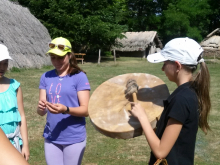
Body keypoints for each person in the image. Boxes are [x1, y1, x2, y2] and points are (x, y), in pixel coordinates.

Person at [131, 37, 211, 165]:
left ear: (177, 66)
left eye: (165, 63)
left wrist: (142, 117)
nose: (162, 68)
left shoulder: (182, 99)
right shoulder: (187, 92)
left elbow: (161, 152)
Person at [37, 37, 90, 165]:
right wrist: (41, 107)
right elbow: (41, 112)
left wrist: (65, 109)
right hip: (51, 135)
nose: (56, 61)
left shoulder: (79, 77)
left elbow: (86, 110)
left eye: (60, 57)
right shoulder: (46, 76)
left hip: (73, 137)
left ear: (69, 55)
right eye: (53, 57)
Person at [0, 44, 30, 161]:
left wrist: (26, 145)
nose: (2, 67)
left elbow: (22, 116)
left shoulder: (14, 86)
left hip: (15, 143)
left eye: (5, 63)